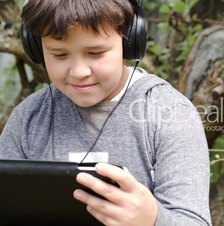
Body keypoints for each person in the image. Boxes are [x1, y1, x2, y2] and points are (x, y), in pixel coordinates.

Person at [0, 0, 211, 225]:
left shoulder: (170, 114)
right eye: (59, 55)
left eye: (96, 52)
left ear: (129, 41)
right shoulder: (28, 118)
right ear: (37, 49)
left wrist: (153, 219)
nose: (79, 72)